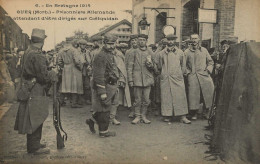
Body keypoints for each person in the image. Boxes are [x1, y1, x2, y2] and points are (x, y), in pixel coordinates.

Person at [14, 28, 58, 155]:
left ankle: (34, 144)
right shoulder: (37, 55)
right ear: (42, 41)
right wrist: (52, 73)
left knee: (32, 116)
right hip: (36, 88)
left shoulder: (28, 51)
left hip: (29, 86)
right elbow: (43, 76)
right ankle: (34, 147)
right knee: (36, 116)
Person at [86, 34, 119, 137]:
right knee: (105, 108)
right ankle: (103, 132)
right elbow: (98, 75)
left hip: (110, 84)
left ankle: (92, 120)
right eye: (109, 44)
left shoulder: (109, 54)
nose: (111, 46)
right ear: (104, 44)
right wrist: (102, 92)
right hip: (104, 85)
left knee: (103, 107)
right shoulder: (101, 56)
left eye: (113, 44)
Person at [156, 34, 191, 124]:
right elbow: (159, 66)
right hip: (166, 78)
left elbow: (183, 66)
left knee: (180, 96)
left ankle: (183, 116)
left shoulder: (180, 53)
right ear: (166, 41)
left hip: (177, 78)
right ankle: (167, 116)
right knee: (167, 97)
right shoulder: (161, 53)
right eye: (169, 40)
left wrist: (179, 75)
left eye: (172, 40)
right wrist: (164, 73)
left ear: (175, 41)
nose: (170, 42)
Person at [185, 34, 214, 120]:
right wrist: (188, 72)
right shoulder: (187, 52)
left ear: (199, 40)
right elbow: (184, 65)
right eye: (192, 39)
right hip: (193, 76)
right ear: (190, 40)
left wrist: (208, 70)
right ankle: (194, 113)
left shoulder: (204, 50)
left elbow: (210, 62)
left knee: (209, 92)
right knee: (193, 95)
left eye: (196, 38)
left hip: (204, 75)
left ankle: (207, 111)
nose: (194, 40)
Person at [127, 34, 155, 124]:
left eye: (143, 40)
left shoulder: (150, 52)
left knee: (146, 100)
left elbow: (156, 67)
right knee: (137, 99)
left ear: (146, 41)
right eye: (140, 40)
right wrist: (130, 80)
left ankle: (144, 116)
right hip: (137, 79)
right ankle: (137, 116)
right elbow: (130, 67)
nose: (141, 41)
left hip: (147, 79)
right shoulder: (133, 52)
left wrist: (151, 65)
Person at [57, 39, 84, 108]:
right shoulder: (74, 50)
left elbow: (59, 61)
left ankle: (60, 101)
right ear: (72, 42)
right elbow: (77, 61)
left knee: (65, 86)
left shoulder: (61, 50)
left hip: (66, 68)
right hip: (73, 68)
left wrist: (64, 66)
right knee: (74, 86)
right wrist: (80, 68)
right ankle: (74, 103)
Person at [111, 47, 132, 125]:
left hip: (114, 81)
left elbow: (122, 69)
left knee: (115, 101)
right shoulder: (101, 55)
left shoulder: (118, 56)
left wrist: (122, 79)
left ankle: (112, 117)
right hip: (104, 81)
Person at [125, 34, 138, 118]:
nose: (134, 42)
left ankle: (140, 111)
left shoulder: (142, 50)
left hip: (140, 75)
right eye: (132, 40)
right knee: (132, 94)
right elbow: (126, 63)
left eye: (135, 40)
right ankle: (133, 110)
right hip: (131, 75)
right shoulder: (128, 51)